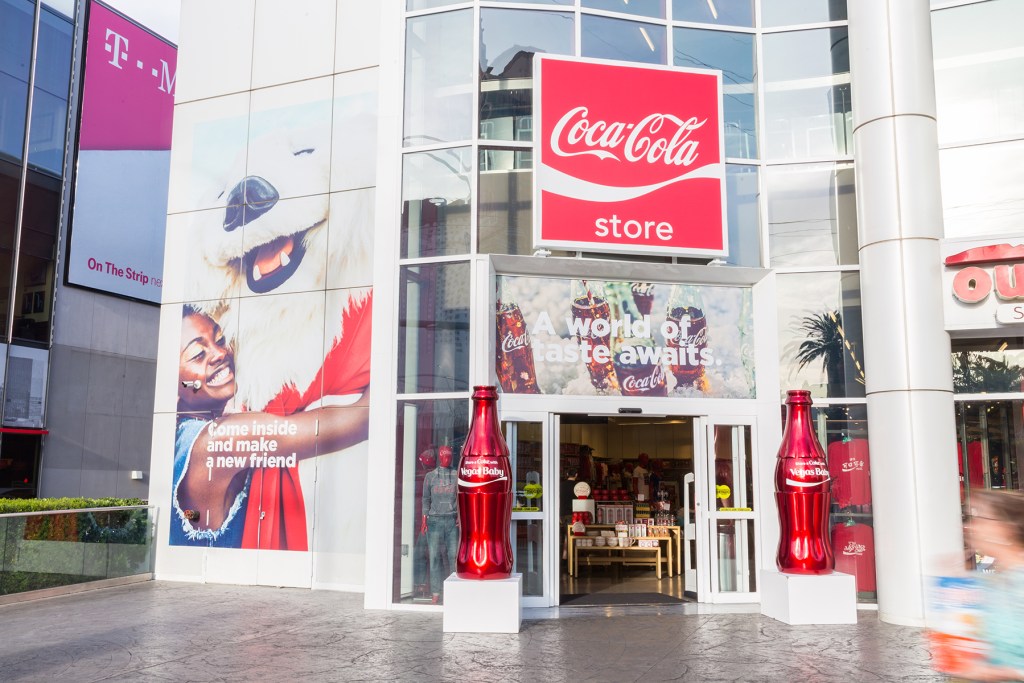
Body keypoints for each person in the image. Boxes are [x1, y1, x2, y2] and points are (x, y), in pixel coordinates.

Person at [173, 306, 369, 547]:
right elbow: (360, 419)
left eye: (221, 339)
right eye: (197, 354)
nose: (219, 353)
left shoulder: (188, 435)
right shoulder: (218, 439)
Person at [958, 490, 1024, 681]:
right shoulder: (993, 580)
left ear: (1005, 528)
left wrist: (1007, 673)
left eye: (979, 517)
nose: (969, 527)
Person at [420, 445, 457, 604]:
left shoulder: (456, 475)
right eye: (444, 454)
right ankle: (436, 592)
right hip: (434, 521)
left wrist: (460, 517)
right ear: (440, 457)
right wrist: (424, 520)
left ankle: (455, 590)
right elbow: (425, 499)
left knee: (453, 556)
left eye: (449, 455)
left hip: (451, 520)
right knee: (434, 557)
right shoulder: (430, 477)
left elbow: (461, 497)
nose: (447, 457)